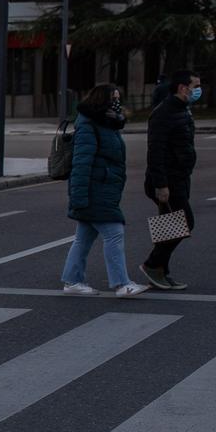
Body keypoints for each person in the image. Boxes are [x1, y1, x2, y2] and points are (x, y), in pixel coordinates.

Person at [61, 84, 147, 298]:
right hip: (95, 188)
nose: (117, 102)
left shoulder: (108, 123)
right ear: (101, 100)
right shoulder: (89, 123)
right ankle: (122, 284)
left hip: (104, 186)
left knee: (84, 238)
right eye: (113, 98)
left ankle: (72, 281)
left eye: (118, 98)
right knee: (114, 233)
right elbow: (81, 162)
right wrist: (79, 197)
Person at [140, 69, 200, 291]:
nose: (198, 91)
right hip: (168, 180)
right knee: (185, 222)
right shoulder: (163, 112)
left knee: (169, 226)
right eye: (195, 87)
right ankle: (152, 264)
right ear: (183, 88)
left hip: (180, 177)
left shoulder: (182, 109)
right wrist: (161, 184)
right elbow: (156, 150)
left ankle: (161, 273)